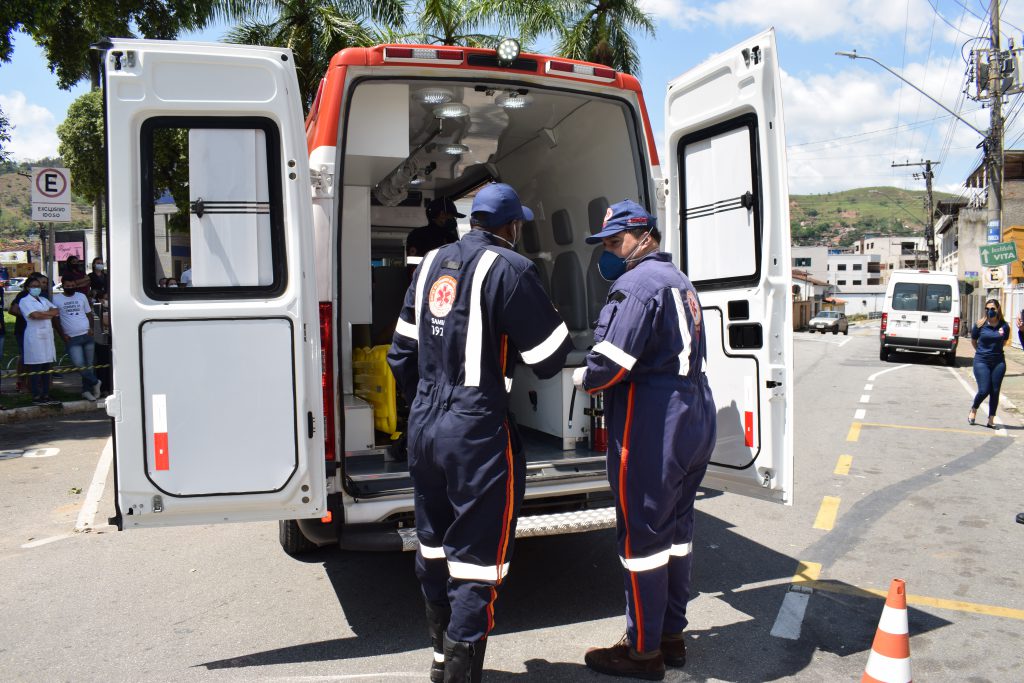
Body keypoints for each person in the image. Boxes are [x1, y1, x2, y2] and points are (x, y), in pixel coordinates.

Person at [387, 183, 574, 682]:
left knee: (433, 547)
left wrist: (425, 405)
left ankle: (440, 660)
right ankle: (460, 675)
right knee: (476, 557)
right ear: (511, 226)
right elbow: (549, 357)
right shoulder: (511, 268)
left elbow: (400, 353)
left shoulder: (428, 263)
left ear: (473, 221)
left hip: (425, 422)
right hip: (475, 429)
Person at [573, 200, 716, 681]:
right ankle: (670, 635)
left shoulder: (633, 286)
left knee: (643, 539)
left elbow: (608, 365)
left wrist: (582, 377)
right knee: (677, 532)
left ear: (643, 235)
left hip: (654, 419)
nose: (610, 253)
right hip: (695, 411)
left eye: (616, 242)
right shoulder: (679, 280)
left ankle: (641, 651)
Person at [52, 276, 102, 400]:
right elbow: (55, 319)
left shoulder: (81, 296)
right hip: (71, 337)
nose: (70, 288)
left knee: (89, 365)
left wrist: (91, 328)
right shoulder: (56, 298)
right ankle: (95, 382)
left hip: (87, 334)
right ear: (63, 286)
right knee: (79, 364)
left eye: (72, 285)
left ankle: (86, 390)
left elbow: (89, 313)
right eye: (67, 286)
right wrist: (62, 334)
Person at [968, 298, 1011, 428]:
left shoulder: (1004, 326)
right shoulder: (980, 325)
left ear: (998, 310)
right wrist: (981, 352)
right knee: (984, 389)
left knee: (995, 390)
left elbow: (1003, 342)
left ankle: (991, 418)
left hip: (998, 362)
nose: (989, 311)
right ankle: (974, 408)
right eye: (987, 309)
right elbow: (974, 341)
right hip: (981, 361)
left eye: (992, 309)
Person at [18, 275, 61, 406]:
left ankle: (46, 394)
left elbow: (56, 311)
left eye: (38, 286)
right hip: (35, 337)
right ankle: (36, 395)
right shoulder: (24, 301)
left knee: (47, 367)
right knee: (36, 367)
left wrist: (45, 314)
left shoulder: (43, 299)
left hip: (47, 337)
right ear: (27, 288)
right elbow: (34, 315)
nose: (37, 288)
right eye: (34, 286)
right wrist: (48, 314)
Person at [9, 272, 50, 396]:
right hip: (24, 329)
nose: (43, 285)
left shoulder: (43, 297)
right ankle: (21, 381)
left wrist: (42, 316)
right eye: (42, 283)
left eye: (45, 283)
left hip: (42, 331)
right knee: (25, 356)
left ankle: (41, 385)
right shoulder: (22, 296)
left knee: (42, 358)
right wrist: (29, 316)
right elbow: (12, 310)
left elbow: (53, 311)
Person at [406, 197, 464, 262]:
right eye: (452, 216)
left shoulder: (416, 234)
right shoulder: (451, 238)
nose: (454, 219)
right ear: (442, 214)